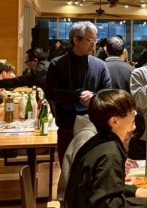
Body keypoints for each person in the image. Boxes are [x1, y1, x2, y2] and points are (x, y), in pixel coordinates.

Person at [46, 21, 112, 161]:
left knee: (92, 166)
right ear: (76, 40)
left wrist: (94, 97)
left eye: (95, 40)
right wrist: (77, 95)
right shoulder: (57, 64)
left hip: (94, 127)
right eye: (90, 40)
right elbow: (50, 92)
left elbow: (108, 93)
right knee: (67, 168)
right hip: (67, 127)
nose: (94, 45)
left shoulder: (100, 65)